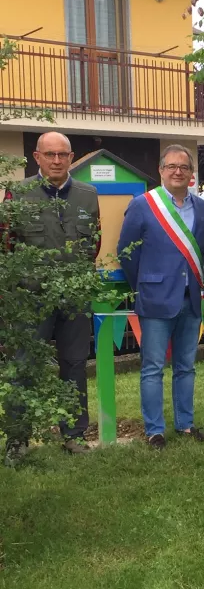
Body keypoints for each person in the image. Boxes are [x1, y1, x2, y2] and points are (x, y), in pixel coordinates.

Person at [3, 132, 100, 466]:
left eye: (63, 154)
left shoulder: (89, 195)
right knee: (24, 368)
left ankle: (73, 435)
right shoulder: (18, 194)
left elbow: (94, 245)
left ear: (71, 157)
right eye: (50, 154)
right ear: (37, 157)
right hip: (31, 300)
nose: (57, 160)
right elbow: (7, 245)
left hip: (74, 299)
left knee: (74, 366)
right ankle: (17, 440)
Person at [118, 144, 204, 450]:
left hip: (190, 297)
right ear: (160, 171)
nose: (177, 172)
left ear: (191, 174)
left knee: (186, 366)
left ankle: (185, 424)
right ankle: (155, 430)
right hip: (156, 297)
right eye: (171, 166)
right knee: (153, 367)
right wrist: (146, 283)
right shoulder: (143, 205)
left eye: (184, 168)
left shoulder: (203, 208)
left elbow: (203, 252)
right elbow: (127, 252)